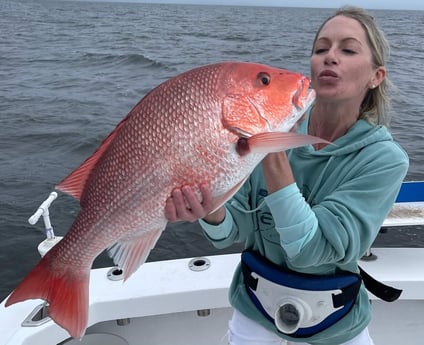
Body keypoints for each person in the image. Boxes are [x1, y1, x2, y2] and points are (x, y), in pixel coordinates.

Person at [165, 6, 409, 345]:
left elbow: (312, 250)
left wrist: (271, 149)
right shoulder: (267, 128)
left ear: (375, 76)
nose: (330, 57)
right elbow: (233, 231)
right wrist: (209, 208)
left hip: (334, 325)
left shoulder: (383, 159)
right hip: (254, 307)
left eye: (348, 49)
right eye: (321, 49)